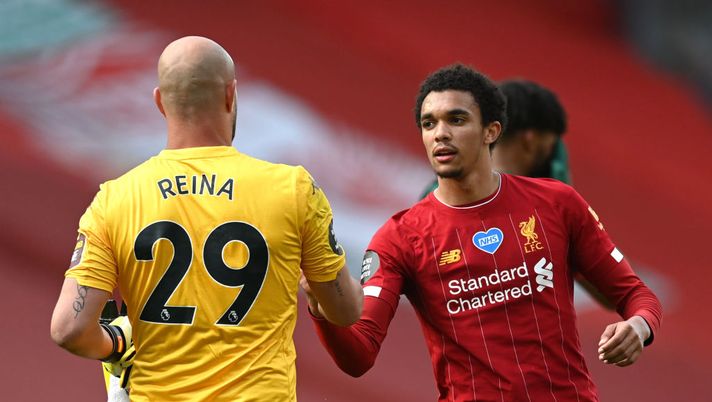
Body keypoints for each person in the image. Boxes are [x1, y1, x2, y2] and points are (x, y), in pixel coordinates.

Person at [303, 64, 662, 401]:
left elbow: (637, 295)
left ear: (492, 131)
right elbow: (360, 355)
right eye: (429, 124)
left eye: (456, 119)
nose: (440, 133)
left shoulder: (557, 204)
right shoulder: (400, 237)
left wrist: (639, 327)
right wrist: (322, 309)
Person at [50, 36, 363, 401]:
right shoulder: (292, 189)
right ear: (231, 95)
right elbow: (345, 311)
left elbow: (69, 329)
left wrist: (116, 342)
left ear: (159, 102)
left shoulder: (115, 199)